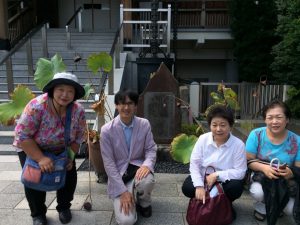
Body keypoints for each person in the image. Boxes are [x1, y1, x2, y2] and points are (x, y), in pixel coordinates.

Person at [13, 72, 86, 225]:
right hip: (32, 146)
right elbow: (23, 135)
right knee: (34, 179)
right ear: (52, 89)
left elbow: (79, 136)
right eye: (60, 89)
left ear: (75, 94)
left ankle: (64, 207)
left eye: (70, 91)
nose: (65, 95)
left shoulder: (78, 110)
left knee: (69, 175)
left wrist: (70, 158)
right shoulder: (37, 106)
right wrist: (40, 158)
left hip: (62, 147)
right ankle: (38, 214)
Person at [100, 89, 156, 225]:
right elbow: (108, 163)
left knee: (147, 181)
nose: (126, 107)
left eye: (130, 103)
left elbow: (151, 149)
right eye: (121, 103)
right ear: (116, 105)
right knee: (127, 221)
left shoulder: (144, 124)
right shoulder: (107, 130)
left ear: (136, 106)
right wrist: (123, 191)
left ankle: (144, 202)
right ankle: (127, 196)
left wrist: (146, 165)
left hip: (137, 168)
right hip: (119, 174)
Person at [182, 105, 247, 220]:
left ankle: (225, 204)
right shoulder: (203, 139)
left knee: (236, 187)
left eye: (223, 125)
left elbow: (240, 172)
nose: (218, 129)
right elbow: (194, 164)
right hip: (204, 177)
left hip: (224, 181)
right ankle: (204, 200)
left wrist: (217, 175)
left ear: (230, 126)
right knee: (188, 188)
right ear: (210, 125)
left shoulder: (238, 145)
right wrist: (199, 186)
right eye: (214, 125)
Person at [246, 100, 300, 222]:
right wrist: (264, 168)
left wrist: (290, 172)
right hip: (261, 176)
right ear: (265, 120)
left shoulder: (297, 141)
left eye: (279, 117)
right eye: (270, 117)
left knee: (292, 210)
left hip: (284, 180)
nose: (274, 121)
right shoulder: (256, 135)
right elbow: (248, 160)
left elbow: (298, 168)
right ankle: (261, 207)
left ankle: (278, 206)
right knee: (258, 193)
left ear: (287, 120)